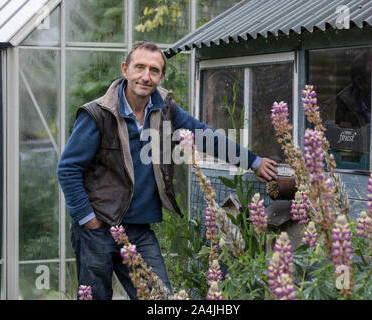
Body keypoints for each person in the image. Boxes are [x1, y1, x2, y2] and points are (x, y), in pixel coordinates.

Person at [57, 40, 278, 300]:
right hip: (98, 227)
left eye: (153, 70)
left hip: (139, 229)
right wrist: (88, 220)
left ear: (161, 76)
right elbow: (68, 169)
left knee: (161, 299)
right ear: (125, 69)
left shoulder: (165, 110)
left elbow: (206, 136)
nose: (145, 76)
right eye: (140, 67)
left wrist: (253, 161)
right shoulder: (98, 114)